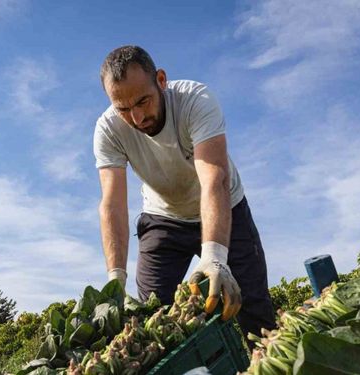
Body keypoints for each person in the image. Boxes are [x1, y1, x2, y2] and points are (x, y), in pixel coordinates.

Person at [93, 45, 276, 340]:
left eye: (143, 101)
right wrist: (115, 278)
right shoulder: (108, 129)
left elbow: (214, 177)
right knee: (150, 319)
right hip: (163, 217)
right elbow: (112, 204)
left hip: (224, 208)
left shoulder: (195, 101)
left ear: (161, 80)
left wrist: (215, 256)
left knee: (254, 310)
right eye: (123, 109)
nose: (137, 118)